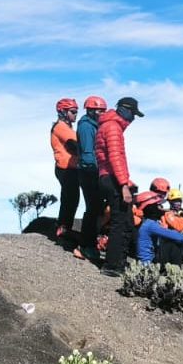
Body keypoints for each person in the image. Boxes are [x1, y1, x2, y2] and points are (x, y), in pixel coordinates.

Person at [95, 96, 144, 277]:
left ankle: (117, 263)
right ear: (125, 110)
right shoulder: (113, 127)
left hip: (107, 177)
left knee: (125, 220)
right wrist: (124, 185)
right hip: (113, 179)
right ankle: (112, 265)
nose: (133, 119)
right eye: (133, 114)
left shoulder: (107, 125)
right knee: (120, 222)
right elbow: (115, 158)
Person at [74, 96, 107, 262]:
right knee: (93, 208)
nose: (102, 113)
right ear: (91, 110)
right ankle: (86, 246)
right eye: (99, 110)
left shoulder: (93, 125)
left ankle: (90, 243)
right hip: (89, 172)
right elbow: (88, 154)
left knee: (96, 208)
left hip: (92, 171)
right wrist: (97, 171)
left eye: (103, 110)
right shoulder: (86, 126)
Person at [49, 98, 82, 236]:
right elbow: (76, 143)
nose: (75, 114)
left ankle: (63, 226)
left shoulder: (65, 127)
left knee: (69, 198)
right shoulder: (61, 127)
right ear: (63, 111)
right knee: (71, 198)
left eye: (76, 112)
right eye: (73, 112)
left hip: (68, 168)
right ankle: (63, 228)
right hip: (66, 168)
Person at [135, 192, 183, 266]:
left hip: (146, 259)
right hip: (147, 263)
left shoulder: (144, 221)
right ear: (150, 207)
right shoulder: (150, 224)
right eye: (157, 205)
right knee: (174, 244)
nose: (159, 207)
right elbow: (175, 236)